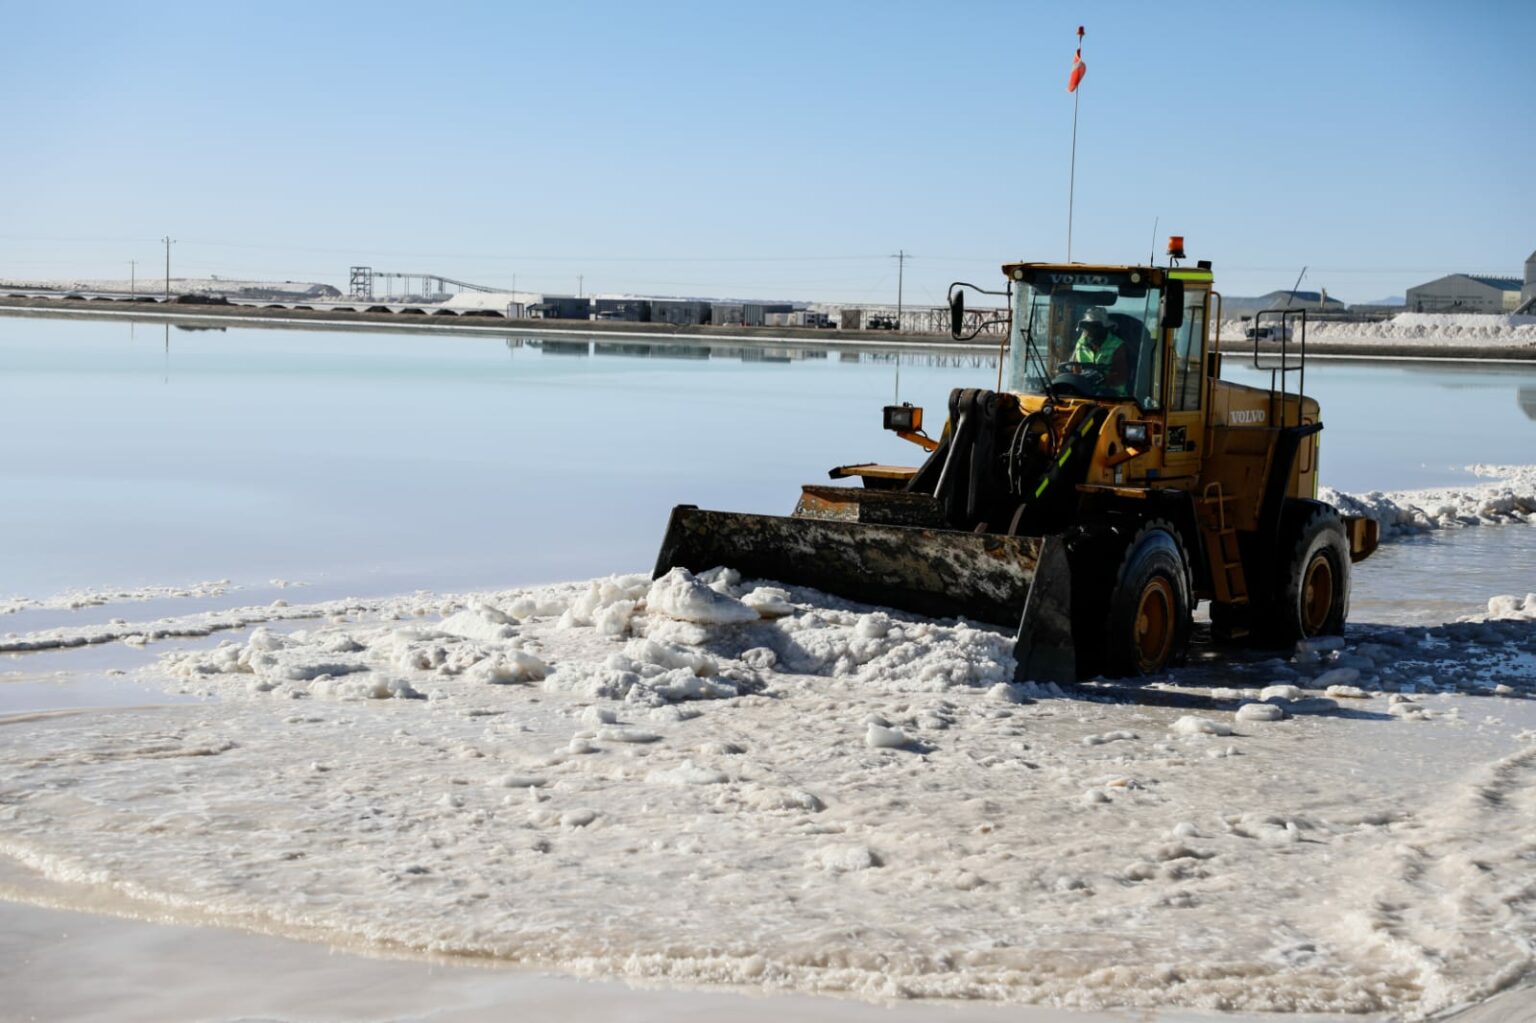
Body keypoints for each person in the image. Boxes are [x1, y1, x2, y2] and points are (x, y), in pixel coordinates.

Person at [1064, 306, 1130, 395]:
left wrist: (1101, 378)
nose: (1090, 330)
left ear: (1105, 328)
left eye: (1095, 326)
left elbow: (1121, 377)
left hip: (1115, 397)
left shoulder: (1117, 345)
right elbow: (1076, 373)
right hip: (1085, 394)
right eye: (1087, 326)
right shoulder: (1080, 344)